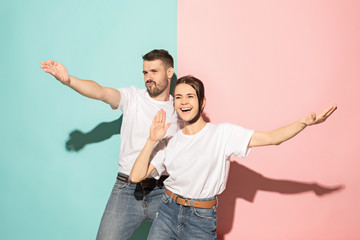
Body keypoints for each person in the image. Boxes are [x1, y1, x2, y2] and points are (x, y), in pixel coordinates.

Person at [130, 75, 337, 240]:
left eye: (190, 96)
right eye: (179, 97)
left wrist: (303, 123)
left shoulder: (222, 134)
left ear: (202, 102)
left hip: (200, 219)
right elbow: (136, 176)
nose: (184, 102)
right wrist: (151, 140)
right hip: (167, 212)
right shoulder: (170, 141)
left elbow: (272, 138)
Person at [40, 49, 182, 240]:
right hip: (127, 189)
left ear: (169, 72)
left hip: (164, 191)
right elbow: (101, 92)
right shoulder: (133, 97)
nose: (148, 78)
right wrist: (69, 80)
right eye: (145, 72)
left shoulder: (180, 109)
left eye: (154, 71)